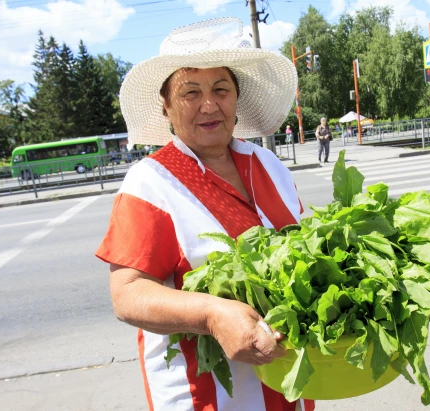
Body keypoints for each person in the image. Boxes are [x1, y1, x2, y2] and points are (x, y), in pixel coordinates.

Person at [95, 17, 314, 411]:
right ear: (166, 106)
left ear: (236, 97)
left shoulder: (268, 163)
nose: (209, 105)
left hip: (288, 391)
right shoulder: (150, 182)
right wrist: (212, 313)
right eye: (190, 92)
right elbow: (127, 295)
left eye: (220, 89)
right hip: (207, 400)